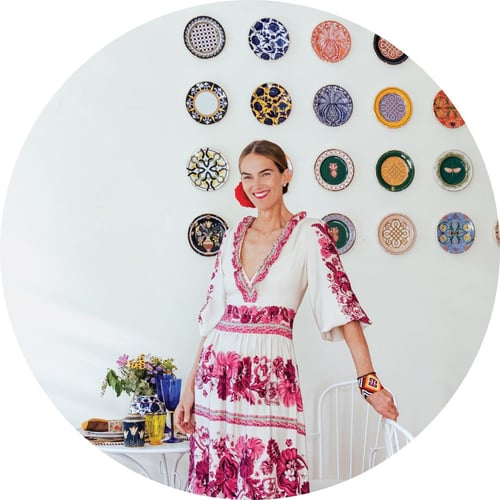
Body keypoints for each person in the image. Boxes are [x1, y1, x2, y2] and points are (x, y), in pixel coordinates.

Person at [175, 139, 398, 498]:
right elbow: (212, 316)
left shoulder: (310, 234)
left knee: (269, 477)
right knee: (217, 478)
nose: (256, 185)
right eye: (247, 176)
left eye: (265, 173)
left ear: (285, 175)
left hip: (270, 376)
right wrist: (188, 388)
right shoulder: (233, 235)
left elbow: (342, 308)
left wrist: (368, 383)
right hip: (215, 378)